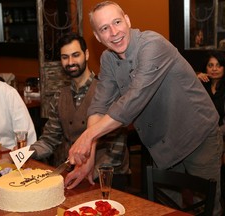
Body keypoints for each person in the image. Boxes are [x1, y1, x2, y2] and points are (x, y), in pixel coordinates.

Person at [67, 1, 223, 215]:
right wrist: (89, 154)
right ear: (97, 36)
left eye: (117, 22)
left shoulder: (152, 44)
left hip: (197, 135)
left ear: (128, 20)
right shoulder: (108, 59)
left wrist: (87, 137)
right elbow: (99, 105)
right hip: (161, 144)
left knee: (205, 207)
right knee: (166, 209)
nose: (114, 32)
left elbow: (134, 99)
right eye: (104, 28)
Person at [30, 32, 130, 189]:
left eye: (76, 55)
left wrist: (91, 172)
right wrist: (25, 153)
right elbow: (49, 140)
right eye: (65, 57)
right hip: (71, 173)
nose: (70, 62)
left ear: (87, 54)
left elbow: (117, 146)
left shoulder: (107, 90)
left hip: (106, 177)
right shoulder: (59, 96)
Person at [197, 51, 225, 204]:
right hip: (202, 135)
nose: (214, 69)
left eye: (219, 65)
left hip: (220, 133)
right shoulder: (201, 86)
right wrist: (194, 79)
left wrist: (217, 133)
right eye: (211, 65)